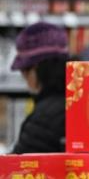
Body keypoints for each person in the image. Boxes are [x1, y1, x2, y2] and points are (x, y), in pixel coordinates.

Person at [9, 22, 70, 154]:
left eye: (24, 71)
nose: (24, 78)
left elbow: (18, 164)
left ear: (36, 69)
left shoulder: (44, 118)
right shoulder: (81, 103)